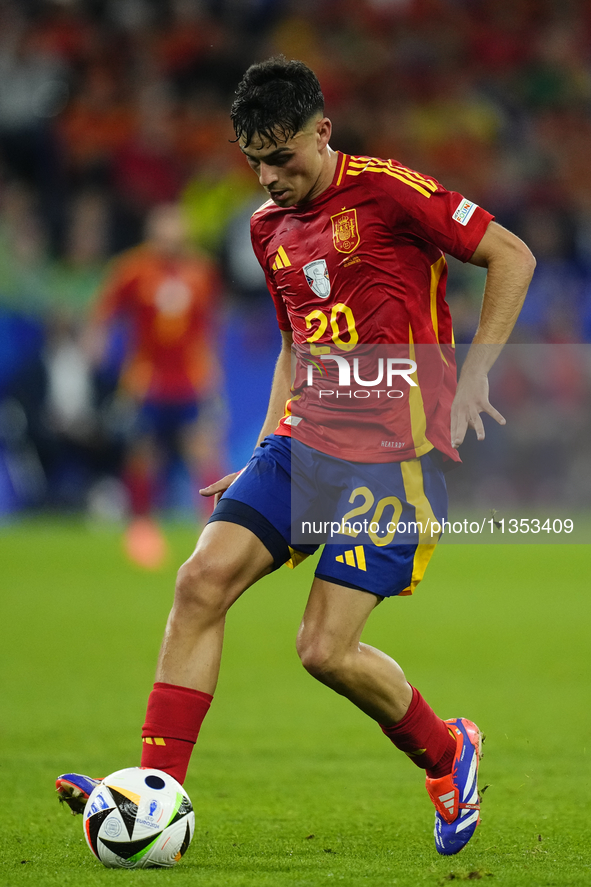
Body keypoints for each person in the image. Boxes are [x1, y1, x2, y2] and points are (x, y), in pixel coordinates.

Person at [57, 58, 535, 856]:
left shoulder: (387, 191)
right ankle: (152, 792)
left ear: (323, 131)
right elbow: (293, 344)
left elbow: (510, 254)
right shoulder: (263, 228)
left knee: (323, 649)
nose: (269, 177)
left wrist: (476, 371)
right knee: (199, 578)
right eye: (255, 161)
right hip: (303, 441)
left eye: (283, 157)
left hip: (393, 460)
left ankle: (451, 753)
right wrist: (261, 447)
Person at [84, 202, 223, 567]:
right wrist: (97, 340)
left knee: (202, 452)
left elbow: (206, 330)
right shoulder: (133, 269)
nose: (170, 238)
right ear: (153, 233)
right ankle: (142, 529)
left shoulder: (201, 271)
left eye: (176, 231)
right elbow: (105, 309)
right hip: (146, 380)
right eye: (163, 231)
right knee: (144, 454)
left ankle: (208, 529)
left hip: (190, 380)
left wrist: (213, 378)